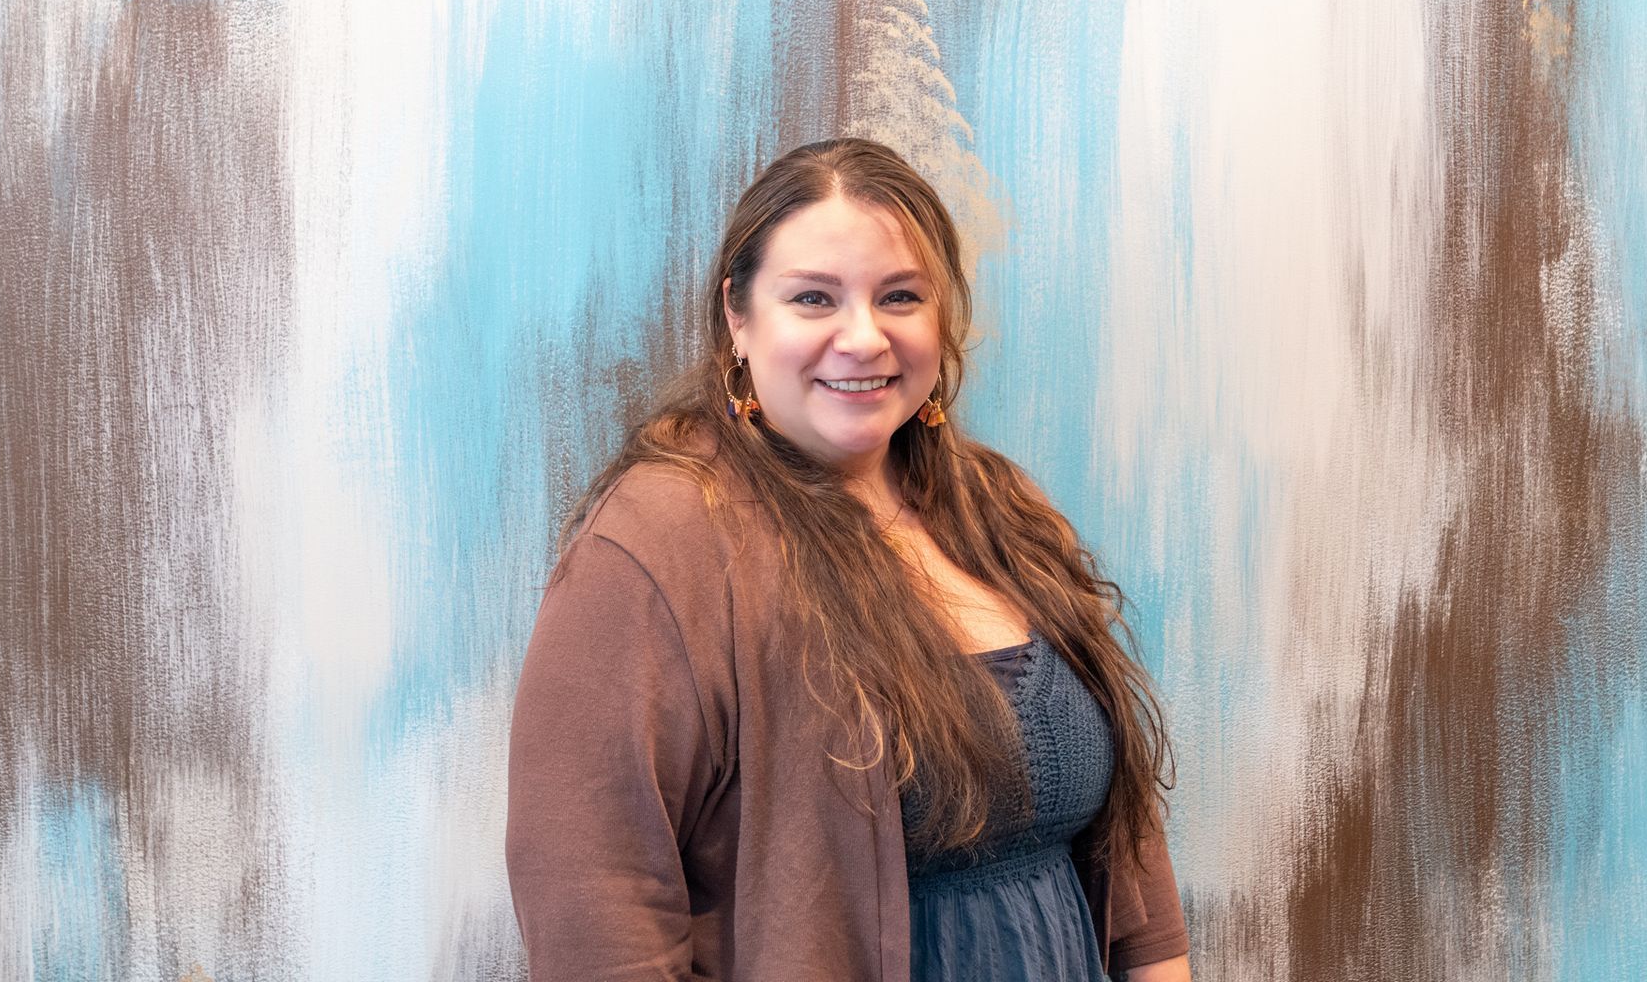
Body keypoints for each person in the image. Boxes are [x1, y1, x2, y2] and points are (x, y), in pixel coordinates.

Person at [506, 138, 1192, 981]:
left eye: (900, 296)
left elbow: (1128, 855)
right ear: (738, 317)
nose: (863, 338)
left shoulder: (1000, 509)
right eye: (813, 298)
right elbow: (595, 909)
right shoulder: (658, 544)